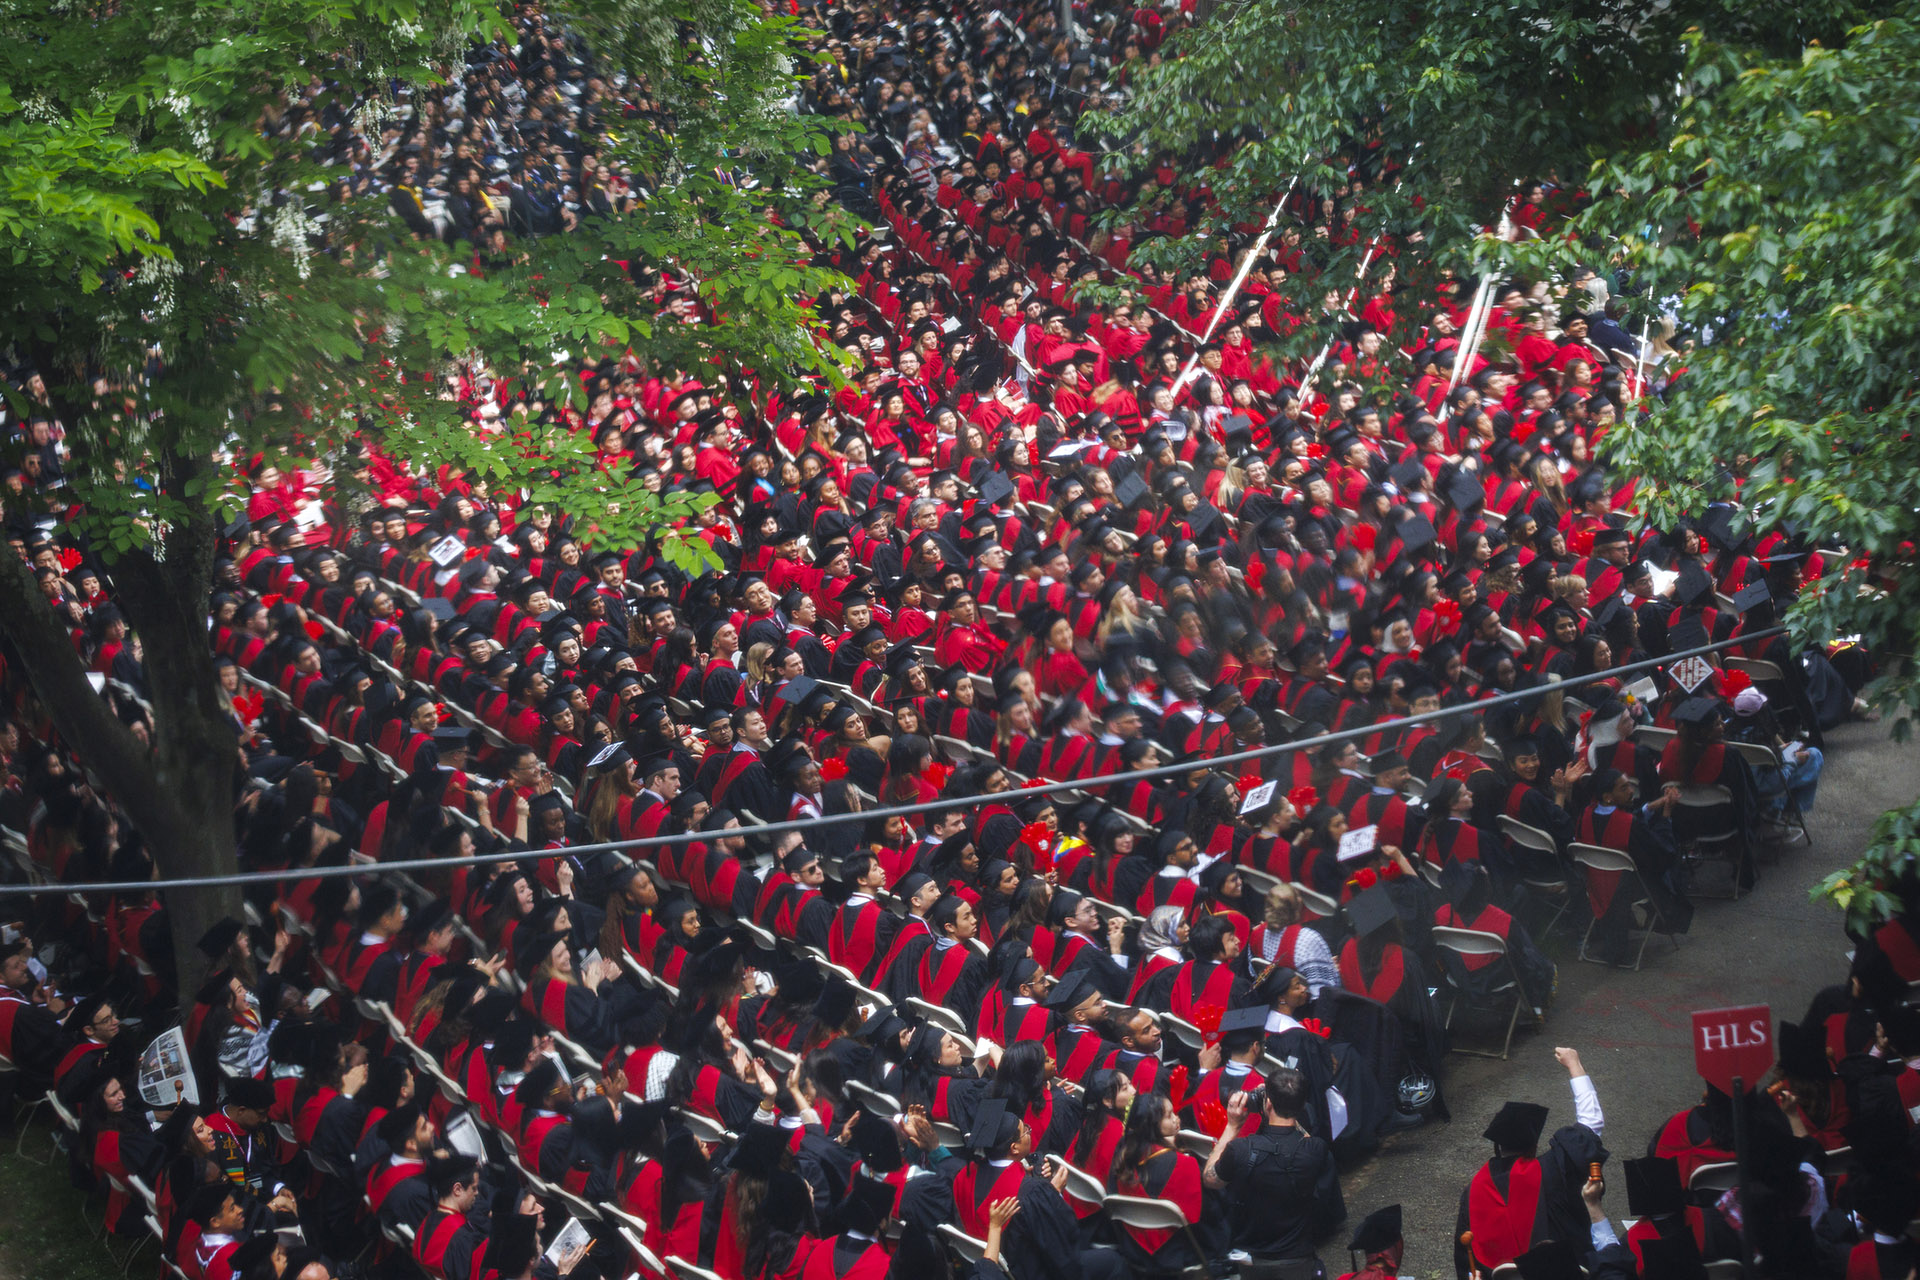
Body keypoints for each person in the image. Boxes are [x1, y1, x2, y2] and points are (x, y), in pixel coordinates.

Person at [1453, 1047, 1607, 1278]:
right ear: (1533, 1147)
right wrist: (1575, 1065)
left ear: (1498, 1146)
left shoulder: (1473, 1190)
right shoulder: (1551, 1170)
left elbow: (1466, 1261)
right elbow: (1591, 1126)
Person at [1204, 1067, 1344, 1277]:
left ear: (1267, 1103)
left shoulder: (1240, 1150)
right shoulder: (1315, 1150)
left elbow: (1210, 1179)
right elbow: (1302, 1136)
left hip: (1252, 1264)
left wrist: (1232, 1127)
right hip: (1298, 1263)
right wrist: (1287, 1104)